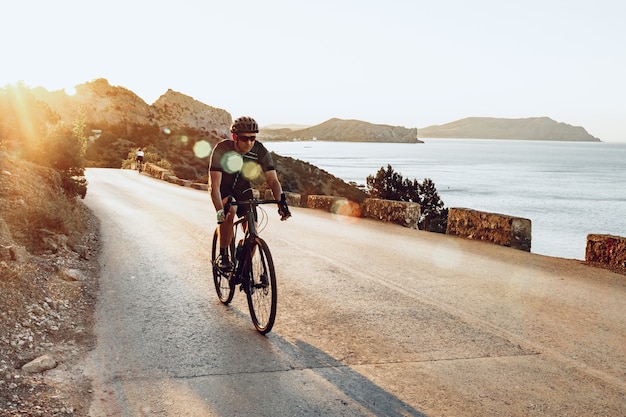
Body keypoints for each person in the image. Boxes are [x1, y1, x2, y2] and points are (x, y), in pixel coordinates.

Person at [209, 116, 291, 272]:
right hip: (223, 189)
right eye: (244, 138)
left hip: (243, 189)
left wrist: (281, 203)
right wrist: (220, 211)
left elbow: (273, 181)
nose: (249, 143)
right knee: (229, 211)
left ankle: (244, 260)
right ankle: (224, 255)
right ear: (235, 137)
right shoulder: (222, 149)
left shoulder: (259, 150)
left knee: (253, 227)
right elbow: (215, 185)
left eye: (253, 138)